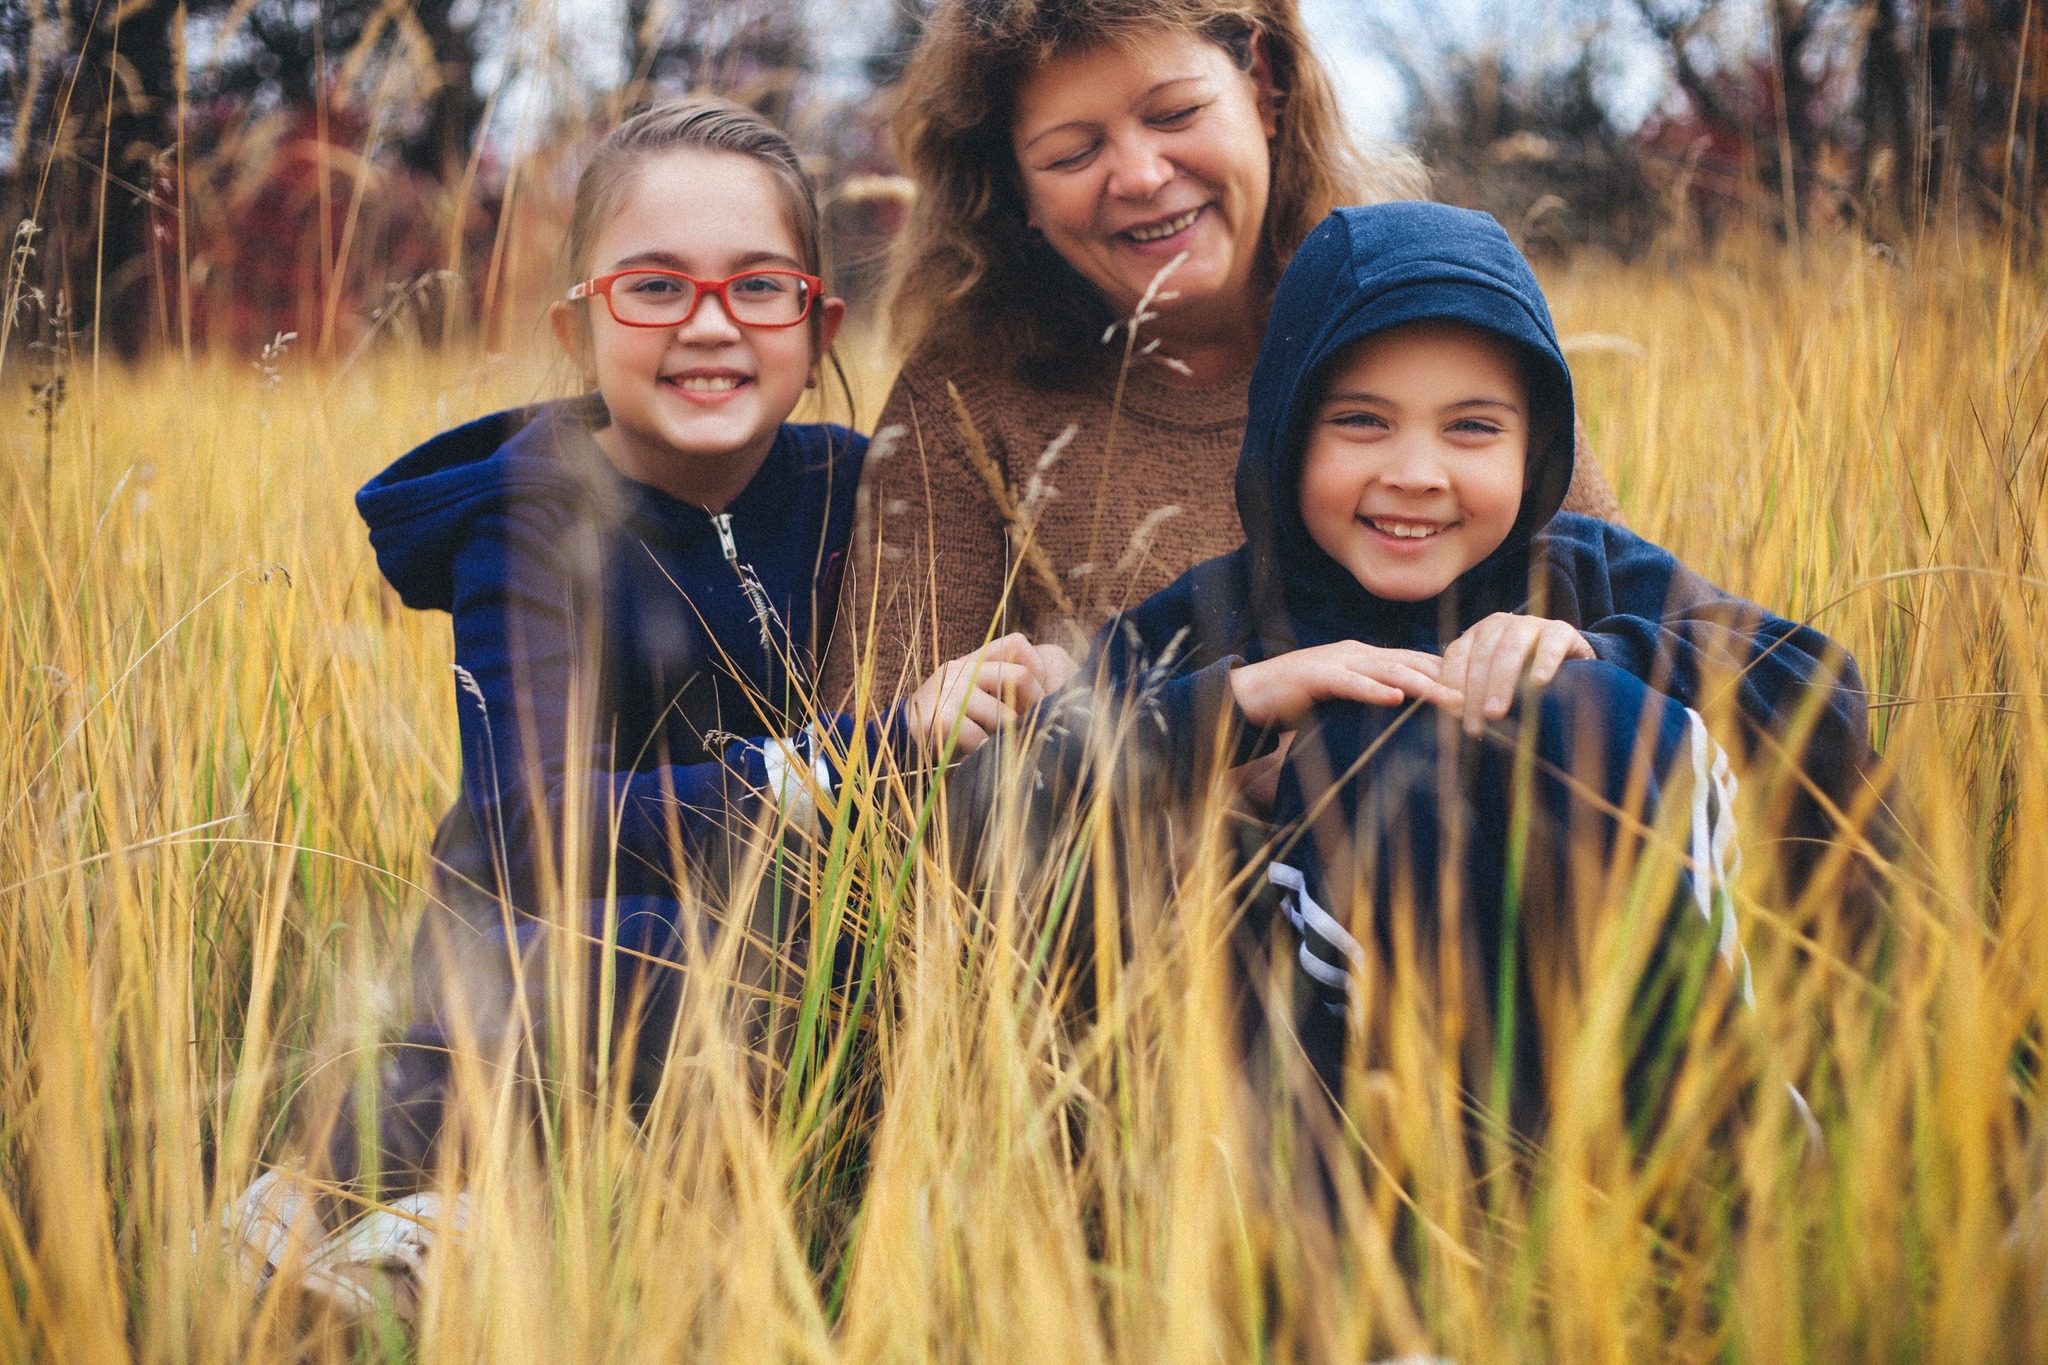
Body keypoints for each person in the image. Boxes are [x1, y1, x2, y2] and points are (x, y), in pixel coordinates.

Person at [230, 98, 1071, 1314]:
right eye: (655, 287)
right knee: (658, 956)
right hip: (537, 964)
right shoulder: (532, 521)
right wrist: (863, 756)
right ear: (579, 330)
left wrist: (1028, 676)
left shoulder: (859, 486)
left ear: (817, 320)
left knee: (847, 963)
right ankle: (332, 1210)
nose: (712, 325)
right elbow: (534, 822)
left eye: (758, 287)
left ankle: (516, 1223)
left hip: (776, 978)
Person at [1090, 201, 1874, 1122]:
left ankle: (1722, 1134)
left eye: (1472, 428)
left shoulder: (1579, 570)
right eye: (1362, 422)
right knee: (1364, 751)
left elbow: (1823, 688)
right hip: (1370, 1086)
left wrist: (1603, 651)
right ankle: (1499, 1181)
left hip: (1630, 994)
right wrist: (1239, 706)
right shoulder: (1229, 610)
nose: (1417, 470)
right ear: (1284, 434)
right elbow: (1038, 768)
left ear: (1534, 447)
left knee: (1580, 706)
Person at [823, 0, 1624, 709]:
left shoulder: (1431, 320)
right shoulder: (961, 400)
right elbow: (886, 772)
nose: (1139, 175)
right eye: (1072, 153)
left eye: (1175, 114)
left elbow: (1650, 641)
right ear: (1015, 187)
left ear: (1264, 87)